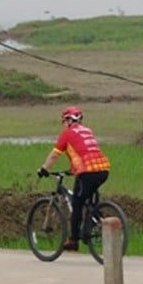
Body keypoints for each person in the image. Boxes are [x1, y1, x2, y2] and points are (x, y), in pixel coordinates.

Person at [38, 106, 111, 253]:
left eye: (64, 121)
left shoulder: (67, 134)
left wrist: (44, 168)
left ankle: (73, 240)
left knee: (77, 203)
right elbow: (85, 151)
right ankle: (93, 221)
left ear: (70, 120)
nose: (64, 124)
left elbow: (54, 154)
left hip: (87, 171)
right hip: (103, 169)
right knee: (88, 199)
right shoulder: (88, 131)